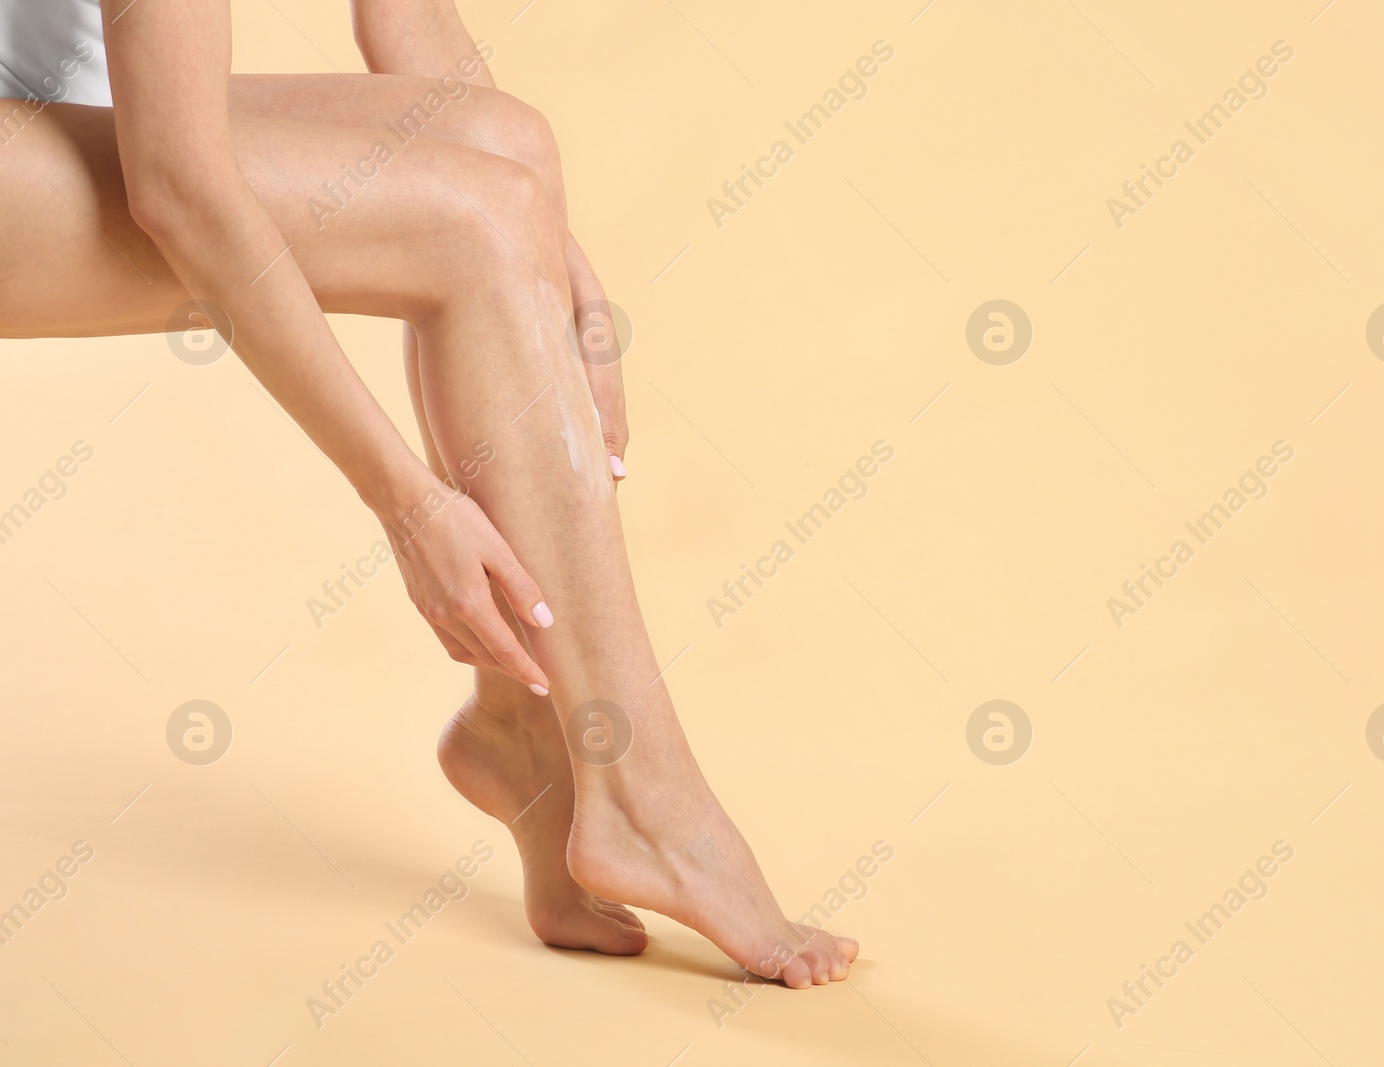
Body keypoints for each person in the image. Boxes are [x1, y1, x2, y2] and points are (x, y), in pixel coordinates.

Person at [0, 0, 855, 988]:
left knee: (507, 149)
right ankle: (645, 798)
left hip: (47, 108)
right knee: (467, 227)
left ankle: (524, 725)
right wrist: (402, 499)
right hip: (56, 130)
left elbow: (410, 23)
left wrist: (549, 266)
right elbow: (180, 190)